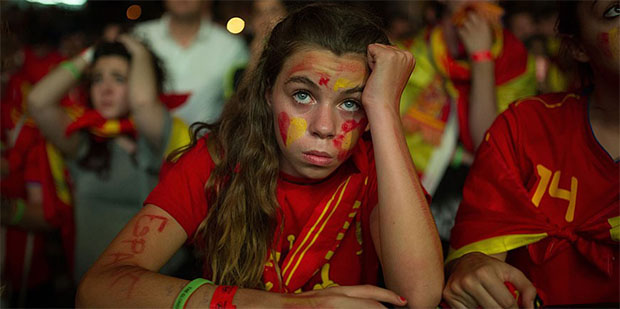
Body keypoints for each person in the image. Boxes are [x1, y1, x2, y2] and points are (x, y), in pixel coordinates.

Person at [76, 4, 444, 308]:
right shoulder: (218, 160)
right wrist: (286, 306)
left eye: (350, 103)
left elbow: (420, 298)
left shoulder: (376, 168)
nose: (325, 126)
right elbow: (98, 289)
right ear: (268, 92)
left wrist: (383, 108)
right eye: (303, 95)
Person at [443, 0, 619, 307]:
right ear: (576, 46)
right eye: (616, 10)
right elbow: (476, 269)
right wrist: (470, 267)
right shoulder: (524, 128)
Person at [27, 36, 190, 284]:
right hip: (95, 290)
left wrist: (138, 50)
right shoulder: (82, 142)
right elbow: (38, 102)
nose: (105, 88)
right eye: (97, 79)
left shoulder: (154, 138)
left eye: (119, 78)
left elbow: (143, 103)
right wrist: (90, 53)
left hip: (156, 287)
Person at [395, 0, 537, 247]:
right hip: (412, 201)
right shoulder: (411, 54)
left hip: (480, 211)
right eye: (463, 12)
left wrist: (482, 60)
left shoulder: (516, 62)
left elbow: (489, 145)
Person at [133, 0, 249, 125]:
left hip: (208, 141)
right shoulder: (140, 37)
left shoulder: (231, 46)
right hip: (145, 141)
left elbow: (241, 104)